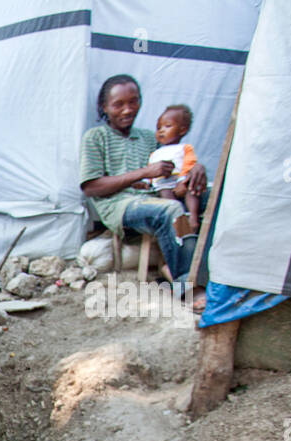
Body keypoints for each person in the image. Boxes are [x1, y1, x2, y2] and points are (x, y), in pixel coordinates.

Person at [80, 75, 209, 305]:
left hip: (155, 197)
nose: (127, 110)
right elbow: (91, 187)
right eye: (118, 104)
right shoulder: (95, 137)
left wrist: (196, 168)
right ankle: (188, 287)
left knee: (211, 196)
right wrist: (143, 172)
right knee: (169, 210)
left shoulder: (150, 137)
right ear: (104, 107)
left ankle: (212, 271)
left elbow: (178, 162)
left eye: (134, 102)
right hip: (120, 206)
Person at [148, 104, 201, 234]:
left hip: (180, 179)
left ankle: (193, 217)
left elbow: (190, 163)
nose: (161, 131)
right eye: (158, 128)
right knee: (166, 195)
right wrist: (146, 183)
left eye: (167, 126)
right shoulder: (156, 153)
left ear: (182, 130)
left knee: (191, 190)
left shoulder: (184, 148)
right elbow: (150, 169)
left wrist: (182, 180)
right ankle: (178, 220)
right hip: (163, 183)